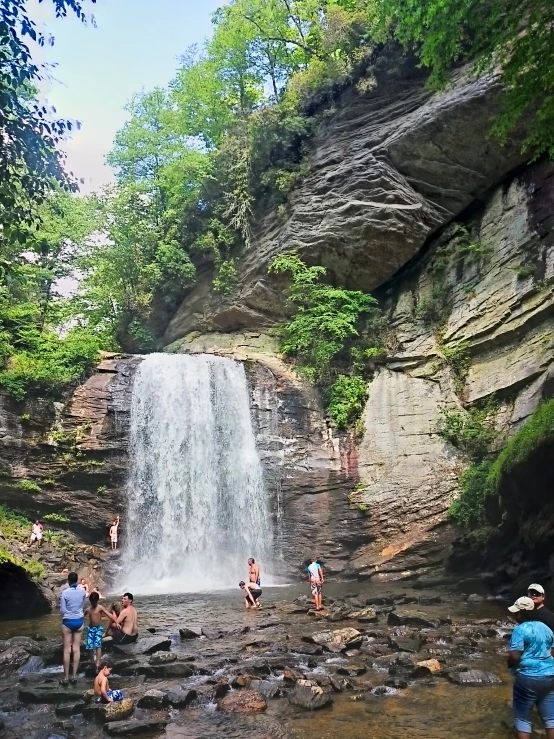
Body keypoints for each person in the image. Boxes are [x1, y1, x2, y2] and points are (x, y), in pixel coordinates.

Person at [508, 595, 554, 739]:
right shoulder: (546, 629)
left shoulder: (520, 630)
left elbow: (515, 656)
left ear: (521, 613)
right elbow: (552, 653)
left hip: (528, 678)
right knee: (550, 718)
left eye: (516, 612)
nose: (515, 615)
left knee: (522, 719)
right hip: (549, 676)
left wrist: (509, 664)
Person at [59, 571, 87, 686]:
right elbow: (82, 605)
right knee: (76, 650)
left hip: (68, 622)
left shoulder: (64, 593)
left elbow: (63, 611)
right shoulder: (83, 592)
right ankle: (74, 676)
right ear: (77, 580)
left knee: (67, 651)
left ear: (68, 580)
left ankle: (66, 678)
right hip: (79, 621)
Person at [85, 592, 120, 669]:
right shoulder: (88, 609)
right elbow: (81, 616)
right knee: (90, 646)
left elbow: (109, 615)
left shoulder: (100, 608)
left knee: (98, 646)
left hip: (97, 629)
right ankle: (92, 662)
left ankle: (98, 663)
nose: (93, 604)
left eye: (94, 602)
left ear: (97, 601)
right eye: (92, 602)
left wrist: (116, 622)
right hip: (91, 629)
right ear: (90, 601)